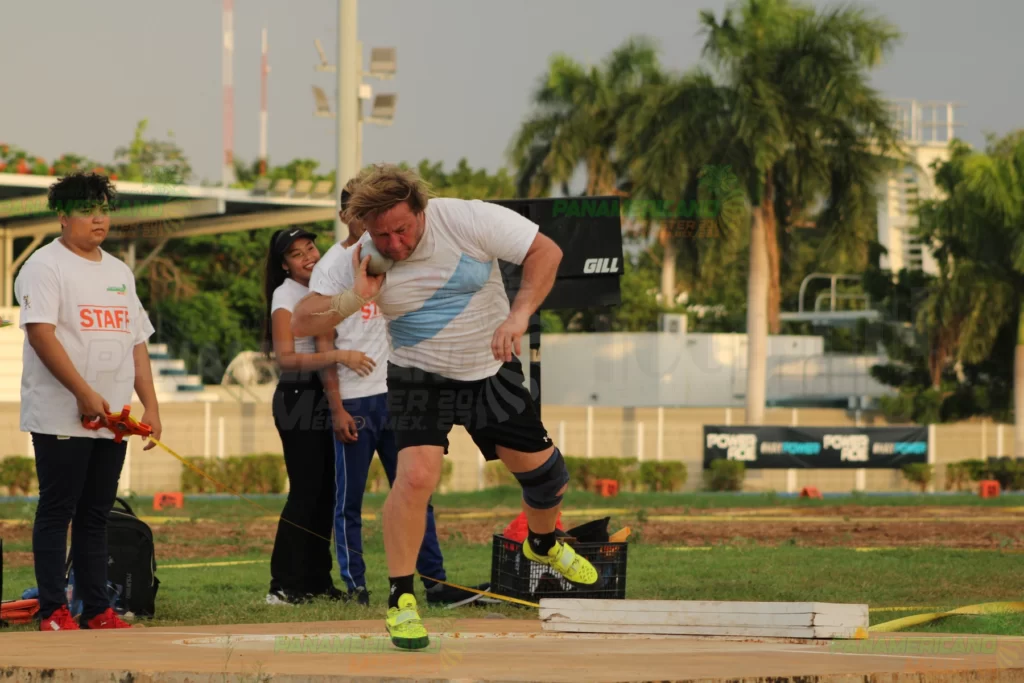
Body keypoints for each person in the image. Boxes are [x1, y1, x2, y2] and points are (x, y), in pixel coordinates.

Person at [292, 165, 598, 650]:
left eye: (402, 229)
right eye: (382, 235)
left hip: (490, 366)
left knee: (546, 477)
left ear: (421, 210)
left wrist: (519, 316)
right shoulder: (356, 257)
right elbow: (300, 321)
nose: (394, 244)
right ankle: (401, 600)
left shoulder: (466, 219)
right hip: (418, 374)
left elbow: (547, 252)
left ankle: (542, 544)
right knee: (415, 478)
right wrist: (355, 297)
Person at [309, 178, 491, 608]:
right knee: (349, 503)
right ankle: (356, 585)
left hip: (400, 393)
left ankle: (435, 583)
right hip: (355, 399)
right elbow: (319, 338)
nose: (375, 223)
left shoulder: (402, 254)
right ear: (349, 216)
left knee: (415, 490)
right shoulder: (334, 266)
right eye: (363, 213)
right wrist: (337, 406)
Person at [15, 172, 161, 631]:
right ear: (62, 216)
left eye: (103, 210)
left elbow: (136, 342)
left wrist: (151, 406)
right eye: (86, 210)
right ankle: (52, 610)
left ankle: (97, 609)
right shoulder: (44, 266)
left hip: (112, 418)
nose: (98, 219)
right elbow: (41, 335)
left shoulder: (119, 272)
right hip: (61, 415)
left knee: (96, 514)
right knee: (58, 510)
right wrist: (82, 392)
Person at [261, 226, 375, 605]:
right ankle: (283, 585)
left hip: (323, 394)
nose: (308, 257)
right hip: (297, 396)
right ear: (284, 265)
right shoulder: (286, 294)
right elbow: (286, 358)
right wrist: (340, 356)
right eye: (296, 254)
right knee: (306, 491)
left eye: (310, 248)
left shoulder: (325, 286)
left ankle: (316, 581)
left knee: (327, 492)